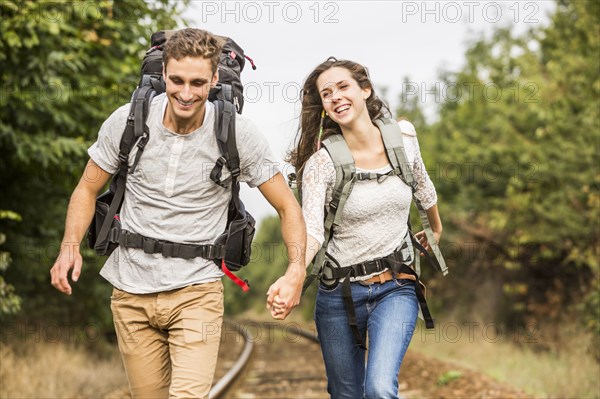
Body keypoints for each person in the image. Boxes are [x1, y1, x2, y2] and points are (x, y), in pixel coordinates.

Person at [50, 28, 306, 399]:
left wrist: (295, 269)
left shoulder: (237, 133)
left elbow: (287, 205)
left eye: (198, 83)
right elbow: (87, 187)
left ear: (215, 79)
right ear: (164, 74)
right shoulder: (128, 121)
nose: (186, 94)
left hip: (196, 289)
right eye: (177, 81)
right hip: (130, 289)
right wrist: (69, 246)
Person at [283, 57, 443, 399]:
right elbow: (311, 232)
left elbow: (424, 190)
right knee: (345, 394)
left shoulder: (404, 138)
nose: (336, 96)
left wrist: (436, 230)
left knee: (380, 388)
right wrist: (292, 275)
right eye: (327, 94)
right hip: (338, 294)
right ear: (324, 107)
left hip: (396, 286)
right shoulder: (320, 165)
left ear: (365, 90)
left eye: (343, 87)